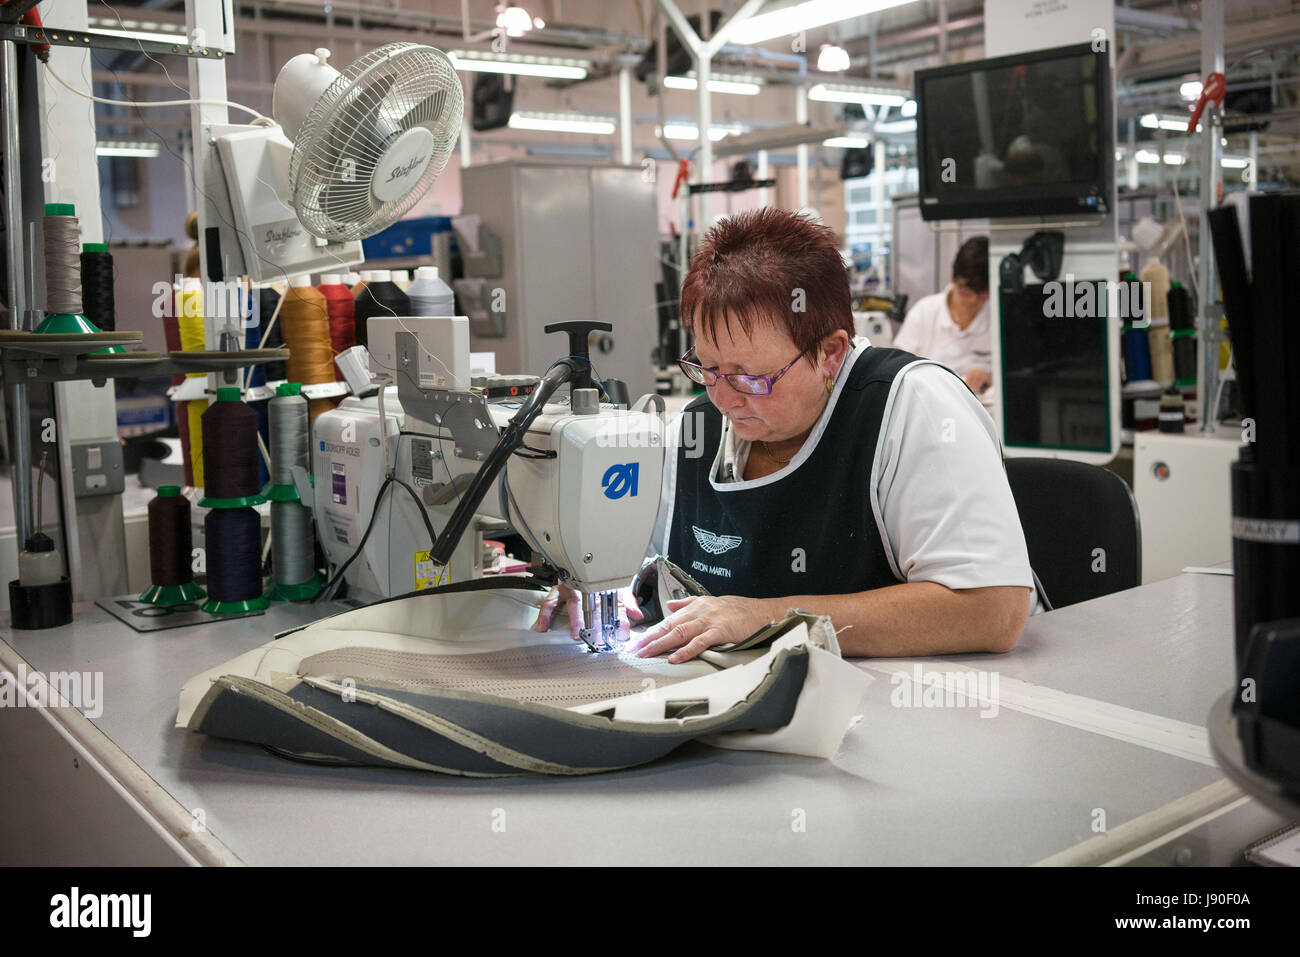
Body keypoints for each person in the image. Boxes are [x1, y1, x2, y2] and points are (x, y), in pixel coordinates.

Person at [535, 208, 1037, 661]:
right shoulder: (696, 429)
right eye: (707, 368)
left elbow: (992, 610)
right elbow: (630, 546)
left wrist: (767, 618)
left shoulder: (910, 406)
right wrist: (588, 575)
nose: (724, 398)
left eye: (751, 377)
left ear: (831, 353)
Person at [892, 236, 993, 394]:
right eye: (965, 292)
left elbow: (1015, 371)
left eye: (981, 295)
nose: (973, 300)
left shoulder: (997, 318)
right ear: (953, 276)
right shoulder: (924, 313)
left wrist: (989, 376)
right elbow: (897, 369)